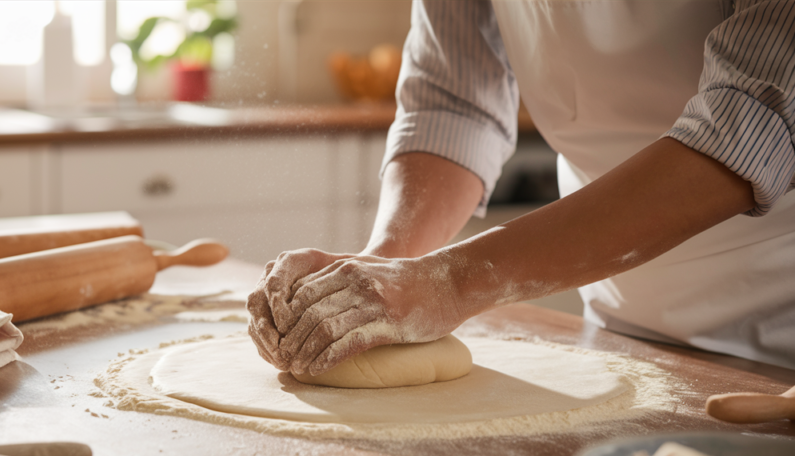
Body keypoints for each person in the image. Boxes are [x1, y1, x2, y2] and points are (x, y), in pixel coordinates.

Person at [248, 0, 795, 376]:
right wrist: (387, 267)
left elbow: (746, 128)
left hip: (778, 333)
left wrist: (449, 284)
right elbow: (455, 103)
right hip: (622, 327)